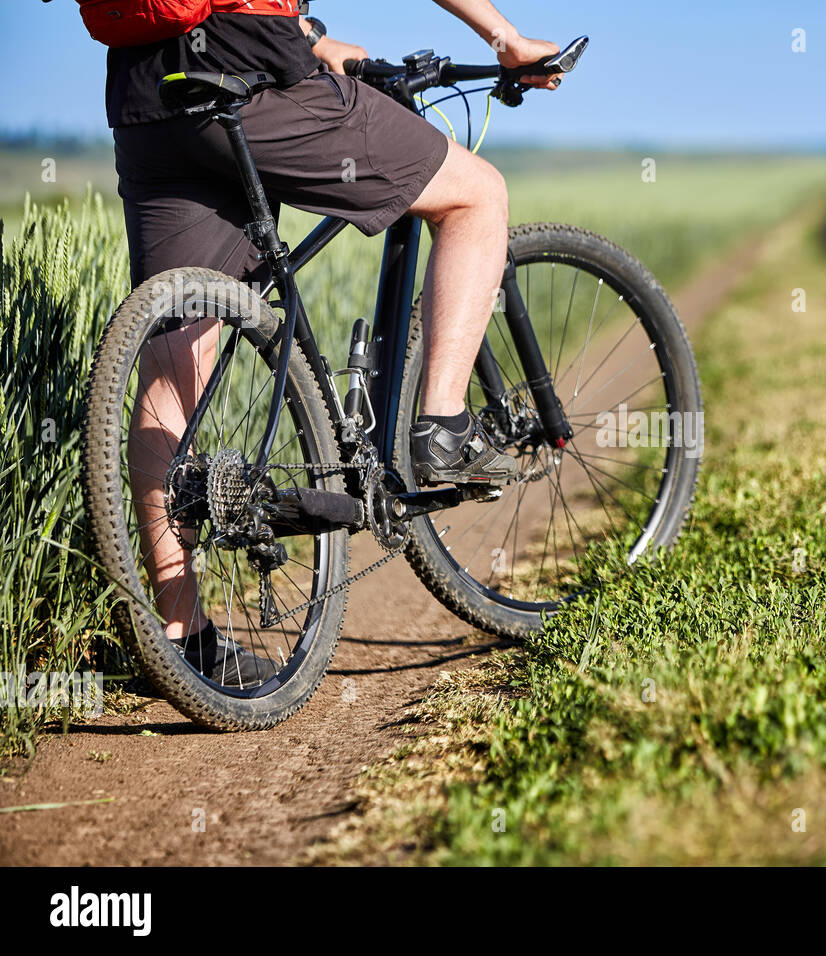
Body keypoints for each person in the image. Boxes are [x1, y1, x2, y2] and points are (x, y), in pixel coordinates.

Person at [110, 0, 562, 683]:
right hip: (253, 76)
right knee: (476, 194)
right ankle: (442, 426)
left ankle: (183, 640)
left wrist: (313, 41)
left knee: (177, 360)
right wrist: (504, 38)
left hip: (151, 94)